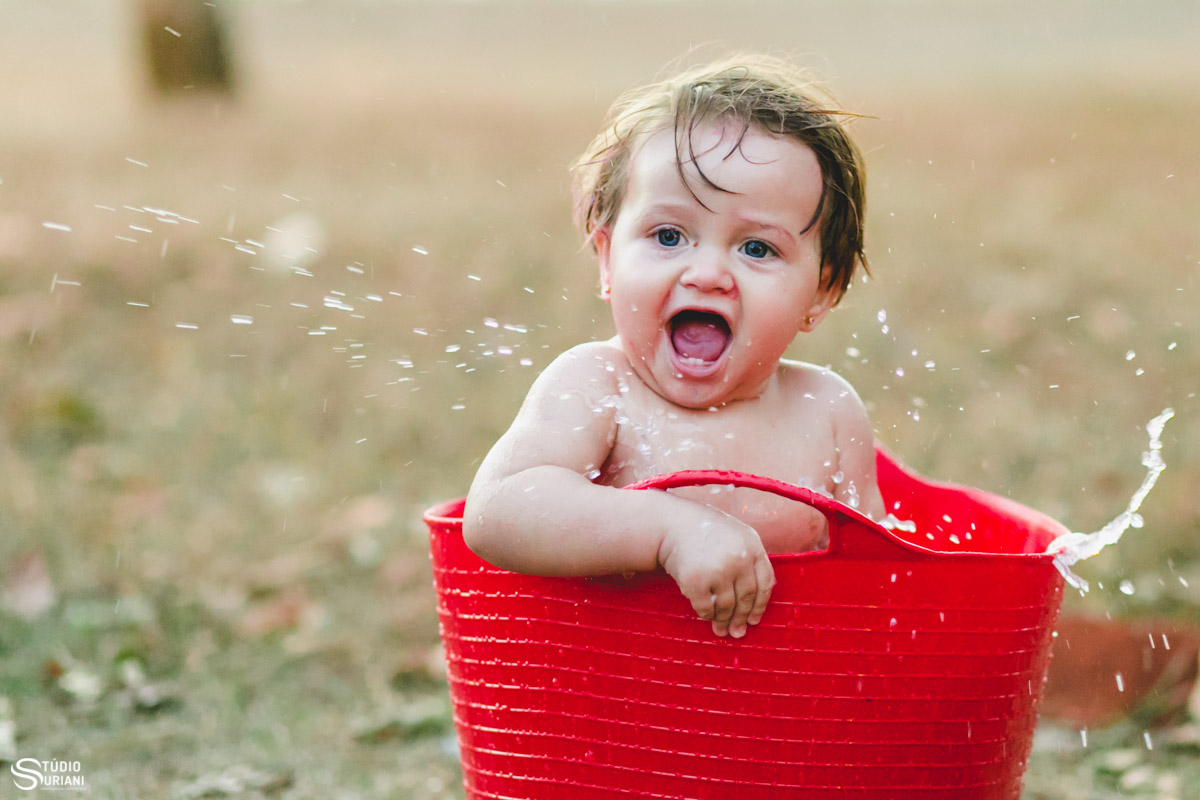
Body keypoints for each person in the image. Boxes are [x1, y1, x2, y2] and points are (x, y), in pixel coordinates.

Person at [463, 55, 884, 639]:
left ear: (822, 290)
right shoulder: (597, 386)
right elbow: (497, 513)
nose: (707, 273)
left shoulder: (829, 412)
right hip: (613, 707)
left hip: (780, 712)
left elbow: (880, 582)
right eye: (668, 235)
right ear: (608, 258)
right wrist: (667, 529)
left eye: (757, 249)